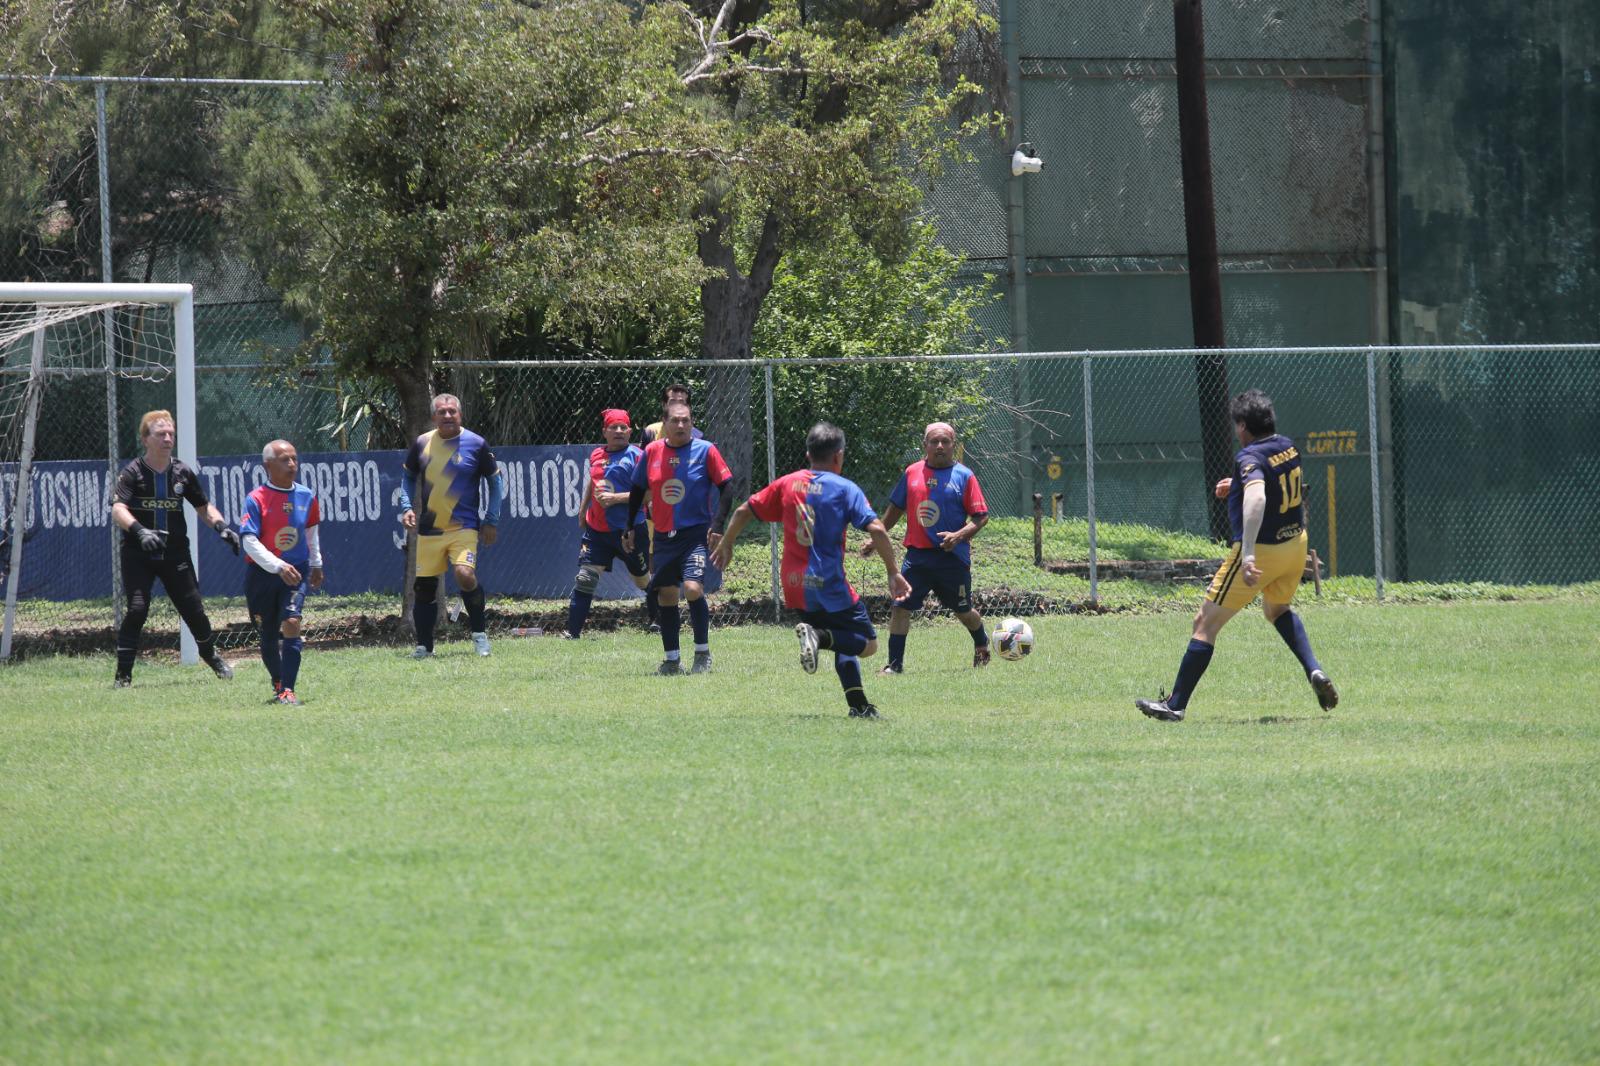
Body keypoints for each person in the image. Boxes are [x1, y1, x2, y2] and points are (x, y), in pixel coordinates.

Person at [1136, 389, 1339, 722]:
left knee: (1204, 623)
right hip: (1295, 545)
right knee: (1277, 609)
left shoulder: (1250, 458)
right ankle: (1314, 670)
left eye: (1236, 424)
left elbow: (1258, 498)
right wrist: (1241, 482)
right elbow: (1273, 481)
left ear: (1243, 425)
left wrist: (1246, 556)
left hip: (1262, 551)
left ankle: (1175, 705)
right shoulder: (1287, 445)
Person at [713, 422, 911, 719]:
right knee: (867, 645)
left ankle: (859, 706)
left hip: (794, 584)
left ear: (808, 454)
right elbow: (878, 529)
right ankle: (818, 638)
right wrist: (893, 571)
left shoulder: (788, 483)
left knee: (840, 636)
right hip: (829, 582)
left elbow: (743, 511)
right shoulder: (845, 489)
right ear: (839, 456)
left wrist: (727, 542)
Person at [110, 409, 240, 687]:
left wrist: (222, 528)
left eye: (171, 434)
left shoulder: (182, 472)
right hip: (138, 555)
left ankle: (212, 657)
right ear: (145, 439)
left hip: (175, 554)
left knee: (194, 609)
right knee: (136, 609)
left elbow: (204, 508)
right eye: (160, 434)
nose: (167, 438)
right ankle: (123, 676)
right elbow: (118, 510)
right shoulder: (132, 472)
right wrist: (140, 531)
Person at [870, 421, 992, 673]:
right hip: (917, 557)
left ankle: (981, 642)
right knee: (900, 607)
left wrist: (959, 535)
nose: (939, 446)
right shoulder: (912, 472)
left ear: (952, 445)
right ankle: (894, 666)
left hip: (952, 559)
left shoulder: (965, 476)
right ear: (924, 445)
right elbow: (896, 509)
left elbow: (981, 516)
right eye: (934, 442)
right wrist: (876, 537)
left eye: (945, 442)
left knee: (963, 612)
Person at [624, 401, 733, 675]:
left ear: (692, 422)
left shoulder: (705, 450)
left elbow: (727, 486)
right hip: (662, 537)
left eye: (686, 420)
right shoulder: (651, 451)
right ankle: (672, 660)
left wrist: (718, 524)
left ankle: (702, 653)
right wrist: (628, 526)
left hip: (695, 534)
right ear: (665, 424)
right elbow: (637, 490)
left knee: (693, 588)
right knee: (668, 595)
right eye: (676, 420)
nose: (682, 425)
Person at [400, 394, 503, 658]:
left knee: (464, 574)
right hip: (430, 529)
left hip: (464, 527)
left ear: (460, 414)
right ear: (434, 416)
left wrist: (491, 519)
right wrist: (406, 507)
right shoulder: (422, 443)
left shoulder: (476, 444)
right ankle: (425, 646)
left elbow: (495, 482)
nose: (447, 416)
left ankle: (480, 636)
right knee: (423, 588)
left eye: (452, 412)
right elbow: (408, 477)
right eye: (442, 412)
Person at [239, 439, 323, 705]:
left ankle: (288, 689)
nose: (292, 464)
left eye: (294, 459)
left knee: (292, 622)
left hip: (296, 572)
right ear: (268, 465)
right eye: (284, 460)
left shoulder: (307, 496)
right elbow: (248, 541)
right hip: (262, 575)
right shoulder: (255, 499)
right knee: (267, 634)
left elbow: (311, 533)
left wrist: (317, 563)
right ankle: (277, 682)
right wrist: (277, 565)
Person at [563, 408, 650, 639]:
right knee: (585, 578)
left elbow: (649, 494)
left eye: (623, 427)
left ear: (630, 431)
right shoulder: (596, 455)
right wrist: (583, 510)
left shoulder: (638, 456)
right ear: (605, 431)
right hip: (597, 530)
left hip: (629, 530)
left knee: (642, 580)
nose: (619, 431)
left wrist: (615, 499)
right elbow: (593, 482)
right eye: (614, 427)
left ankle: (659, 622)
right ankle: (572, 635)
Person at [639, 382, 703, 630]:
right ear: (664, 406)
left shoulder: (698, 437)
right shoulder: (650, 432)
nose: (677, 404)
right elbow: (643, 473)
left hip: (687, 515)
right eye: (672, 400)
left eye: (682, 401)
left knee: (691, 574)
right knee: (656, 562)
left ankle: (696, 619)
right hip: (657, 511)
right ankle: (658, 617)